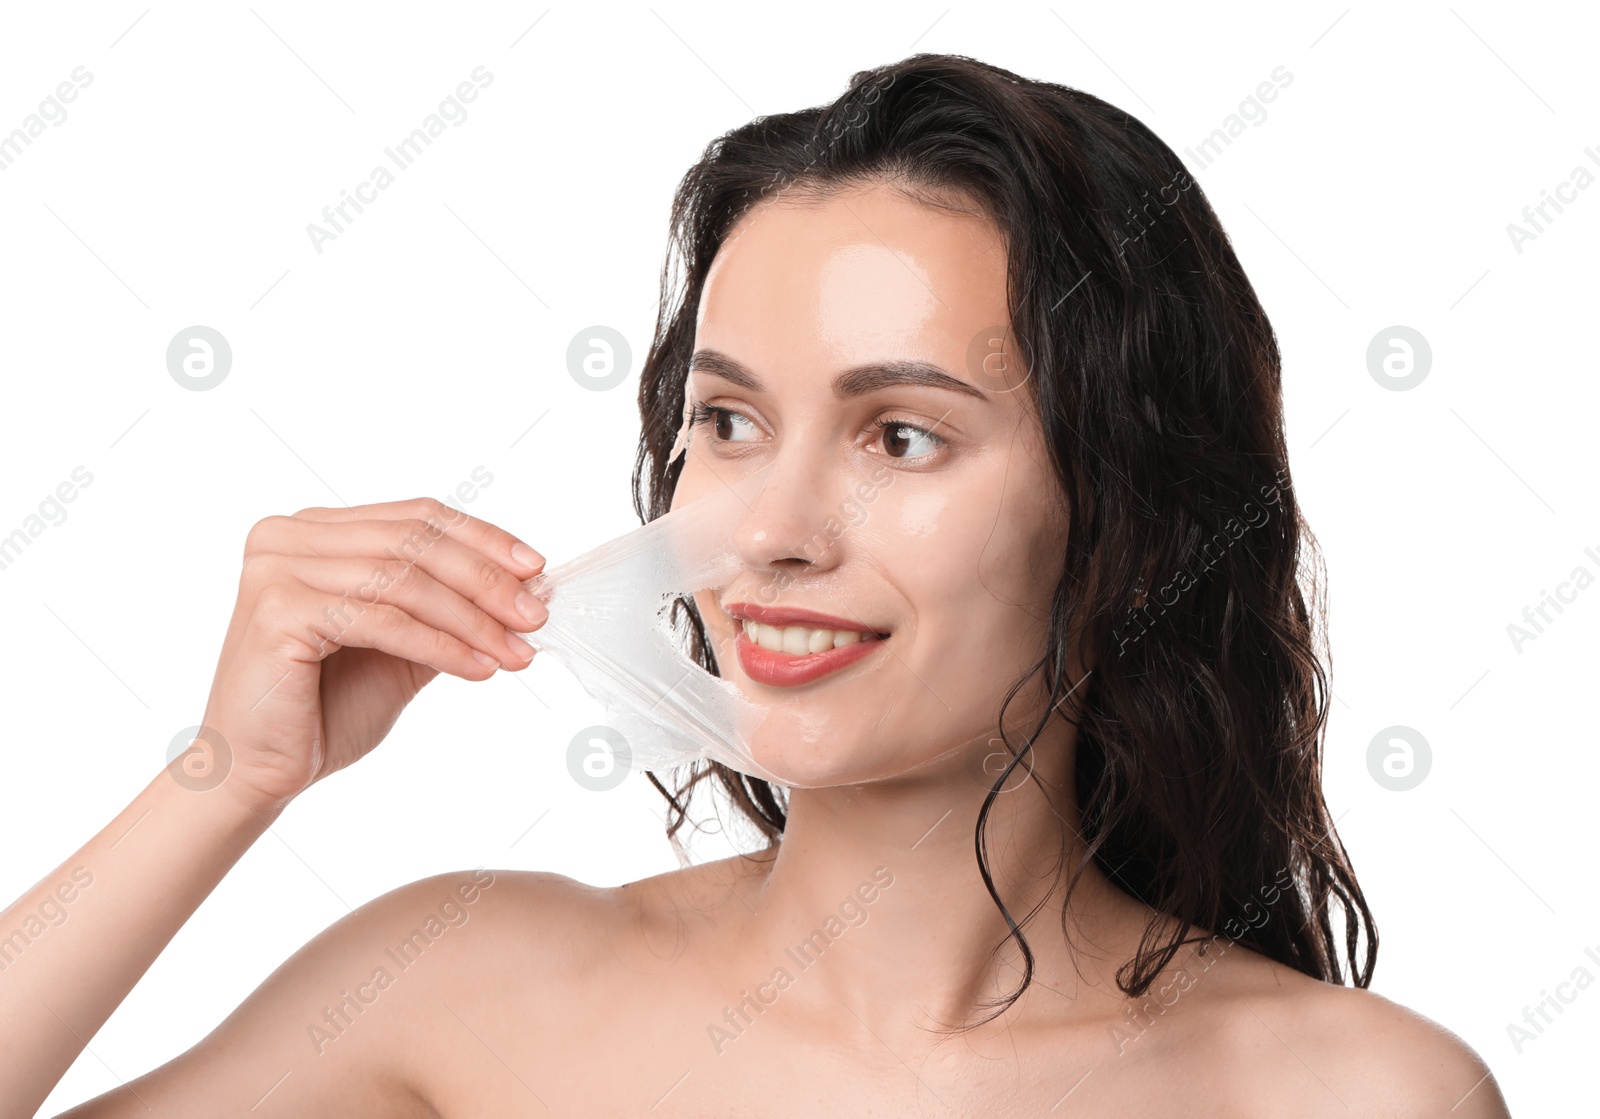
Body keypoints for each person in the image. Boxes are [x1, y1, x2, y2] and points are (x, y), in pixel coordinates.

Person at [1, 53, 1508, 1117]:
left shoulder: (1360, 1094)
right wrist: (229, 779)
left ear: (1131, 524)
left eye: (900, 436)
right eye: (728, 423)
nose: (769, 531)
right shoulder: (471, 988)